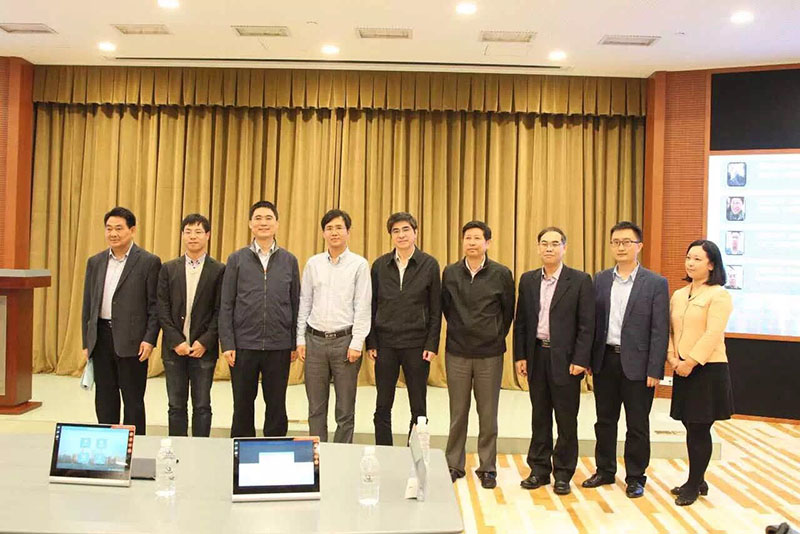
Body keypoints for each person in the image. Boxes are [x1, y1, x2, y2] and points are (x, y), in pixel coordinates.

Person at [581, 221, 669, 498]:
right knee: (604, 421)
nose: (621, 247)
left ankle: (635, 477)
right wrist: (589, 358)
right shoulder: (601, 279)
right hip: (605, 360)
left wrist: (655, 368)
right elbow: (592, 323)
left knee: (637, 424)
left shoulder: (655, 283)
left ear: (638, 246)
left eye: (626, 242)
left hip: (639, 367)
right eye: (616, 242)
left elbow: (660, 330)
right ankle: (605, 470)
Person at [514, 226, 593, 496]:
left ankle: (563, 473)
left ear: (564, 248)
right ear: (538, 248)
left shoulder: (579, 280)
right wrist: (520, 355)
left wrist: (581, 359)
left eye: (555, 243)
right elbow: (521, 322)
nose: (549, 248)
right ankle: (538, 470)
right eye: (544, 243)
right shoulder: (528, 280)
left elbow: (587, 325)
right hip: (537, 355)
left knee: (566, 419)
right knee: (539, 416)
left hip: (566, 360)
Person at [442, 221, 515, 489]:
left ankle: (487, 467)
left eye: (477, 238)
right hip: (457, 352)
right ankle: (454, 463)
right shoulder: (450, 272)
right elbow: (446, 308)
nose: (471, 242)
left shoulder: (501, 274)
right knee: (458, 412)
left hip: (489, 354)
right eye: (467, 238)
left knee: (488, 413)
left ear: (487, 243)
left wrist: (493, 335)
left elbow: (507, 312)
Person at [219, 201, 300, 438]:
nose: (263, 223)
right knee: (242, 404)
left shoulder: (289, 260)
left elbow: (295, 303)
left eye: (268, 218)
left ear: (277, 223)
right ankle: (243, 451)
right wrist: (228, 343)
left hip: (279, 345)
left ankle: (275, 448)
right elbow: (226, 304)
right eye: (258, 218)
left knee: (276, 404)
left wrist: (294, 343)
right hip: (244, 344)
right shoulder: (236, 259)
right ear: (250, 224)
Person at [81, 206, 161, 435]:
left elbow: (155, 306)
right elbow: (88, 305)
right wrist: (87, 341)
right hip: (101, 337)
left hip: (133, 341)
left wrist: (149, 339)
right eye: (109, 228)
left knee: (133, 400)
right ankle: (108, 443)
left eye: (119, 228)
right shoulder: (95, 262)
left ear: (132, 230)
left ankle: (135, 445)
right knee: (105, 398)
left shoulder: (148, 262)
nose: (113, 233)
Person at [366, 212, 442, 446]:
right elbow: (371, 305)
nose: (401, 235)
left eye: (406, 230)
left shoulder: (429, 264)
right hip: (385, 344)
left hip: (417, 344)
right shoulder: (380, 265)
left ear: (415, 233)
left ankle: (414, 454)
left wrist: (431, 344)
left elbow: (435, 308)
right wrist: (372, 342)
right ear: (391, 235)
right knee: (382, 405)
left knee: (418, 407)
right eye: (396, 231)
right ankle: (384, 452)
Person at [668, 239, 734, 506]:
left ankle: (693, 484)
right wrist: (672, 357)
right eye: (688, 257)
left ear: (711, 264)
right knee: (689, 424)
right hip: (681, 366)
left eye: (697, 259)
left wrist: (691, 362)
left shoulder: (718, 295)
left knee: (699, 428)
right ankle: (699, 479)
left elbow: (713, 333)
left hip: (707, 369)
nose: (690, 263)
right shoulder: (679, 295)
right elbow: (671, 330)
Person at [296, 209, 371, 444]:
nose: (334, 232)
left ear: (348, 232)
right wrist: (300, 339)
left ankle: (342, 455)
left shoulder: (359, 265)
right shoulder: (313, 264)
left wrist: (357, 342)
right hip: (314, 341)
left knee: (345, 409)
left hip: (345, 342)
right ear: (323, 233)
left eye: (339, 228)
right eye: (329, 228)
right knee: (315, 408)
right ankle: (317, 457)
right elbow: (305, 302)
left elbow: (363, 305)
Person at [157, 213, 225, 437]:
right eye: (188, 232)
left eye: (198, 232)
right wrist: (176, 341)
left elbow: (221, 310)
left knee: (202, 406)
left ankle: (201, 449)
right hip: (174, 349)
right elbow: (162, 308)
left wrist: (205, 341)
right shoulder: (168, 268)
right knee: (176, 405)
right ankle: (177, 449)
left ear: (208, 235)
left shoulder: (219, 270)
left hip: (203, 349)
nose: (193, 236)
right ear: (182, 235)